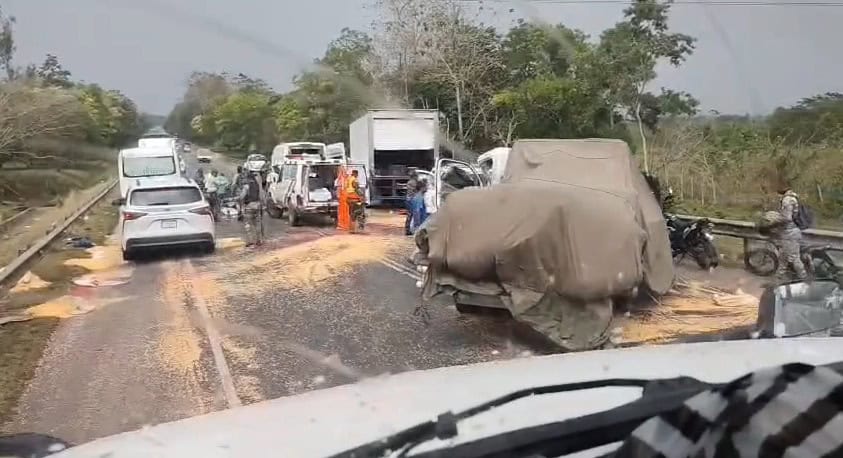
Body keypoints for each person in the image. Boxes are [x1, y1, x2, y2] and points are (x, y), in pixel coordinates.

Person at [774, 187, 807, 280]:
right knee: (783, 256)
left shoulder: (787, 200)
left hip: (790, 233)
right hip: (788, 232)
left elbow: (787, 218)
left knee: (794, 258)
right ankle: (778, 279)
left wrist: (774, 219)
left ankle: (804, 279)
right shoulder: (792, 198)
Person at [237, 170, 264, 247]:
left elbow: (242, 196)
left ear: (248, 178)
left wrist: (239, 200)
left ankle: (250, 241)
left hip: (249, 206)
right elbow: (261, 196)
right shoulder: (257, 185)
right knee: (257, 223)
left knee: (248, 224)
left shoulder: (247, 186)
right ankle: (259, 240)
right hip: (257, 205)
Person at [336, 167, 351, 232]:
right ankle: (346, 225)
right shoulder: (348, 179)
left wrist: (338, 195)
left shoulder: (341, 179)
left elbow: (339, 188)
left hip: (343, 198)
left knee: (343, 212)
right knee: (346, 212)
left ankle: (343, 226)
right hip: (347, 197)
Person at [404, 169, 419, 236]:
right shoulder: (414, 182)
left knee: (410, 215)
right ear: (414, 176)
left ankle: (408, 229)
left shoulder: (410, 182)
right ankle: (408, 230)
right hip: (412, 200)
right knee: (412, 214)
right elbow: (415, 191)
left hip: (409, 200)